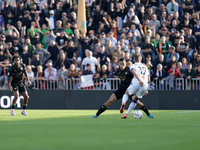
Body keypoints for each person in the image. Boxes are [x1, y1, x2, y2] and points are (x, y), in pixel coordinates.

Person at [120, 54, 154, 119]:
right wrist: (146, 88)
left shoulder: (132, 65)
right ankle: (126, 114)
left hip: (136, 82)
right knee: (135, 100)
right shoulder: (145, 67)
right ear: (140, 59)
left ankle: (124, 103)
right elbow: (149, 80)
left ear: (134, 59)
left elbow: (133, 72)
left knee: (126, 93)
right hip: (144, 85)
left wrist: (139, 80)